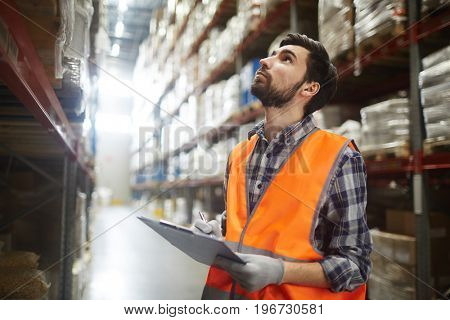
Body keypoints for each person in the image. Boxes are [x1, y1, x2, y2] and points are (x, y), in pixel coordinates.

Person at [193, 33, 372, 300]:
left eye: (285, 59)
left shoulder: (340, 157)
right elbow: (246, 224)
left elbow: (355, 265)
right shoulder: (240, 154)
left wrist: (280, 271)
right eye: (271, 54)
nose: (265, 61)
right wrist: (218, 234)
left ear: (309, 88)